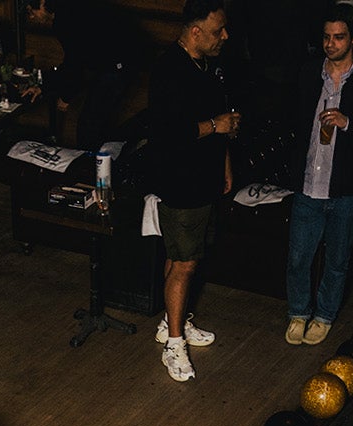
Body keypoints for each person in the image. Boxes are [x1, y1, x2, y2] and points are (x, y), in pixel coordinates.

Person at [284, 6, 353, 347]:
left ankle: (324, 315)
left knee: (337, 260)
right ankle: (298, 313)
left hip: (346, 189)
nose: (330, 44)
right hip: (308, 184)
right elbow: (294, 122)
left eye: (338, 37)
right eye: (326, 37)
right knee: (299, 257)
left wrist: (348, 123)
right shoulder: (309, 71)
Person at [148, 1, 237, 384]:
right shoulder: (168, 70)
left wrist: (225, 163)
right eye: (218, 31)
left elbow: (221, 119)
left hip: (205, 178)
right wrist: (214, 126)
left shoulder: (209, 65)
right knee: (184, 264)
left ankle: (173, 320)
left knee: (182, 256)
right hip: (179, 180)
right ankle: (174, 343)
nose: (225, 37)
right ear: (195, 32)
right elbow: (168, 133)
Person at [24, 0, 144, 150]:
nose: (31, 17)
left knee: (89, 125)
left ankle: (91, 168)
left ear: (42, 4)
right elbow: (73, 61)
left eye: (31, 12)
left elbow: (75, 64)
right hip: (116, 61)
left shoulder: (66, 18)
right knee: (94, 122)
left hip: (122, 62)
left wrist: (65, 96)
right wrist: (46, 87)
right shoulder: (65, 13)